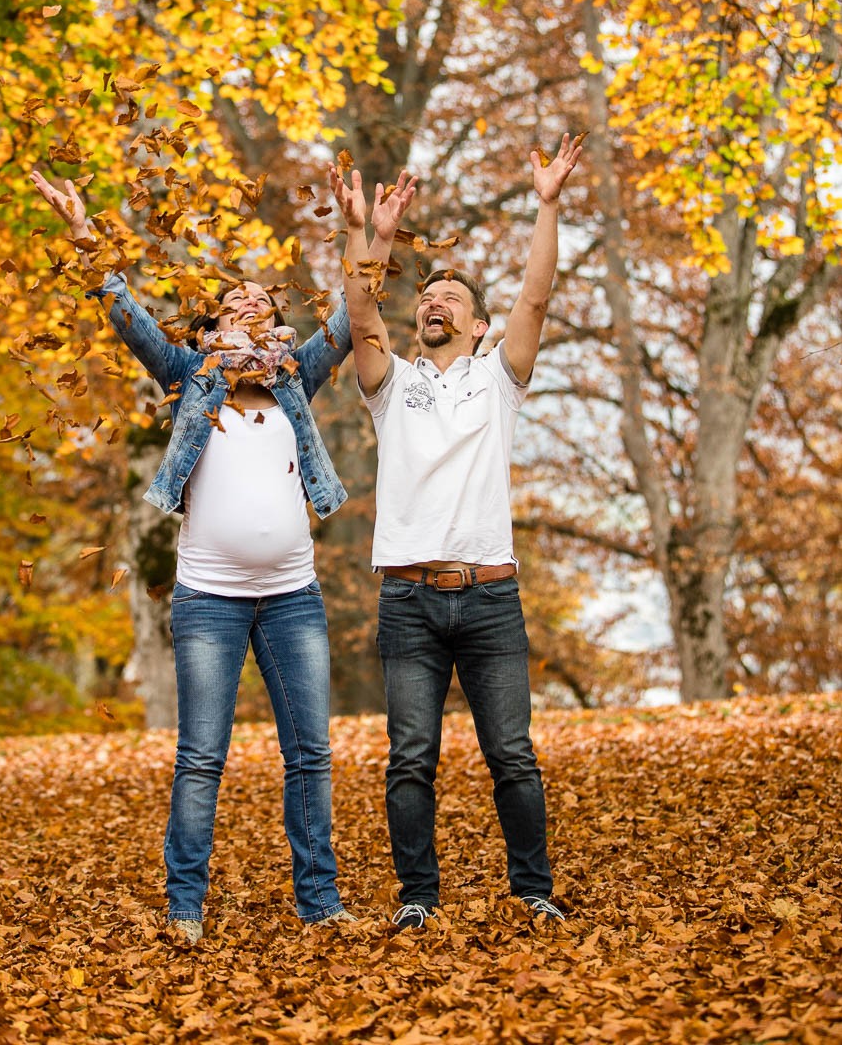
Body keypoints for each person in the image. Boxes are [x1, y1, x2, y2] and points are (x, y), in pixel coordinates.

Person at [30, 169, 367, 940]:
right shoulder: (190, 377)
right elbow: (126, 315)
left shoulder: (295, 379)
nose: (252, 303)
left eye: (264, 299)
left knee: (310, 754)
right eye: (236, 300)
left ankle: (320, 904)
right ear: (216, 323)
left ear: (278, 324)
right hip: (208, 599)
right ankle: (186, 907)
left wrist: (363, 233)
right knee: (201, 758)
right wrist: (84, 231)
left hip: (292, 597)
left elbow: (352, 314)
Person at [330, 136, 582, 930]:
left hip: (489, 598)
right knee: (410, 759)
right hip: (406, 601)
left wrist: (545, 204)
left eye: (450, 297)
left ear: (475, 326)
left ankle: (531, 891)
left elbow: (535, 301)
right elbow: (360, 308)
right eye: (427, 293)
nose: (433, 300)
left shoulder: (496, 381)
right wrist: (373, 231)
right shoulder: (390, 385)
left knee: (511, 754)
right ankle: (417, 900)